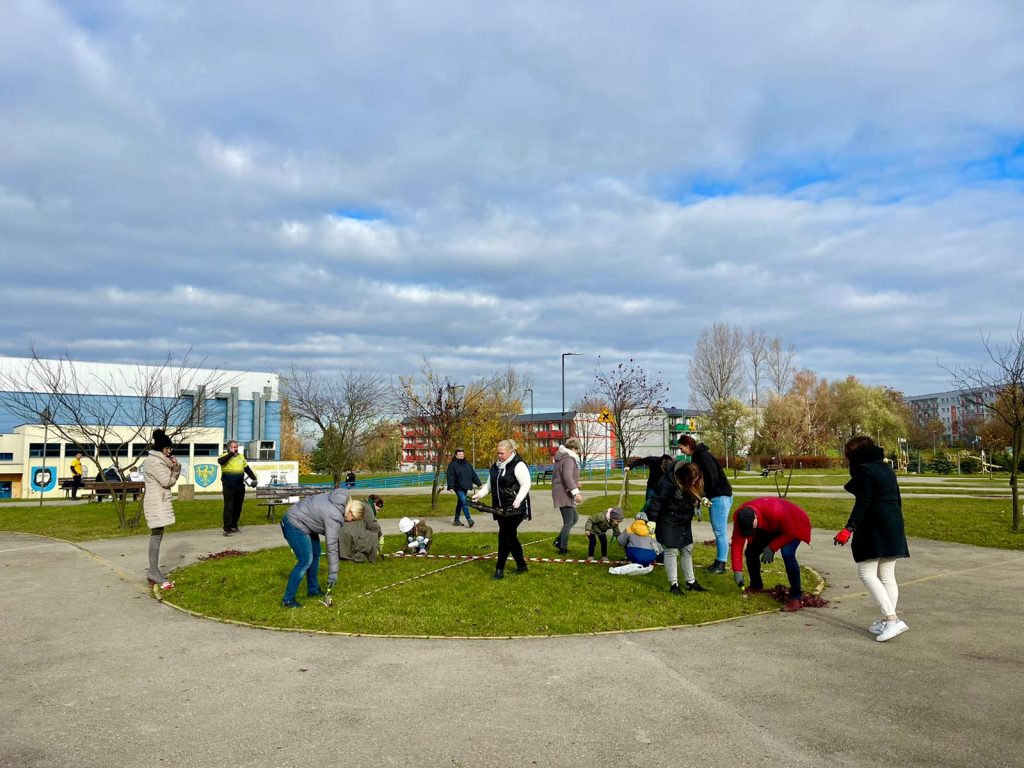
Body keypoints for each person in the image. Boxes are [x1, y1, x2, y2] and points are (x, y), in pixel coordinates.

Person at [834, 435, 911, 642]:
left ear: (855, 455)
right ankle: (889, 621)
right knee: (887, 575)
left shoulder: (864, 470)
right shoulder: (886, 468)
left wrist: (849, 527)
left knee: (866, 572)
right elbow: (897, 497)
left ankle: (892, 619)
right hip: (893, 521)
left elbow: (864, 502)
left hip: (874, 523)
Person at [729, 497, 812, 612]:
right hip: (771, 526)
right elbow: (737, 543)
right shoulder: (740, 516)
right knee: (751, 552)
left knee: (787, 553)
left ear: (755, 518)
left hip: (795, 523)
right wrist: (737, 571)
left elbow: (790, 532)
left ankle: (796, 597)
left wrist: (771, 547)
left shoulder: (774, 511)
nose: (750, 532)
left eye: (750, 528)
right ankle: (756, 586)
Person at [471, 438, 532, 580]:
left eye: (502, 453)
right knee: (511, 537)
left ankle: (499, 570)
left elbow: (526, 483)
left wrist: (518, 499)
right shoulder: (495, 467)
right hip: (499, 509)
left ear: (511, 452)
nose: (499, 456)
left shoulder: (518, 465)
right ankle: (522, 566)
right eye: (498, 453)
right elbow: (489, 485)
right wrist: (479, 495)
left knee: (504, 537)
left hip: (515, 509)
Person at [279, 487, 349, 608]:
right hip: (294, 523)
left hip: (306, 523)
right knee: (305, 560)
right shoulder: (334, 515)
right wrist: (333, 574)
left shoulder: (339, 501)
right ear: (350, 511)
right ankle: (288, 599)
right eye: (353, 519)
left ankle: (313, 590)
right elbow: (332, 547)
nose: (351, 522)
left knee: (316, 553)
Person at [677, 435, 733, 574]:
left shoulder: (703, 456)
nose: (681, 450)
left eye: (681, 447)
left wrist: (703, 495)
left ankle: (721, 564)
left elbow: (712, 477)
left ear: (688, 445)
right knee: (718, 531)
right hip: (717, 496)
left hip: (719, 496)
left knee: (720, 532)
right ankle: (719, 561)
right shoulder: (698, 456)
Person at [649, 460, 706, 595]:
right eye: (692, 480)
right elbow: (656, 501)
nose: (694, 483)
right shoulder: (667, 482)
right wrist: (652, 520)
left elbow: (696, 492)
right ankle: (674, 584)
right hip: (668, 520)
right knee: (671, 551)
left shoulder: (691, 480)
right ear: (684, 477)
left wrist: (702, 499)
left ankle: (691, 582)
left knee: (687, 549)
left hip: (684, 520)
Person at [142, 430, 180, 594]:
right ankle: (152, 571)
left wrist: (173, 466)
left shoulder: (159, 461)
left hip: (158, 501)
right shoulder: (155, 463)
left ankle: (154, 570)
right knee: (156, 536)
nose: (169, 451)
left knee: (158, 534)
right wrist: (175, 470)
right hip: (156, 503)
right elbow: (167, 481)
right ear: (161, 448)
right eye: (167, 448)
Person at [218, 440, 257, 537]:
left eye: (236, 447)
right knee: (229, 507)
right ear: (229, 448)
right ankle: (227, 529)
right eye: (234, 447)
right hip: (229, 486)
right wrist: (231, 454)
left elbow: (247, 469)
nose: (236, 449)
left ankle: (234, 526)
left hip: (239, 485)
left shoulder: (241, 456)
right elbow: (220, 461)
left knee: (238, 507)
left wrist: (254, 478)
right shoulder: (224, 456)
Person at [551, 437, 584, 553]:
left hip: (563, 491)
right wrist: (576, 493)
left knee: (574, 518)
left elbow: (563, 477)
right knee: (569, 521)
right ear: (574, 448)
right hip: (564, 493)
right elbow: (567, 477)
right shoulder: (569, 459)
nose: (578, 451)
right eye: (578, 449)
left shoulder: (562, 457)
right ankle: (562, 547)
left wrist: (575, 484)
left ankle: (559, 541)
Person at [339, 497, 381, 563]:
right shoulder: (367, 508)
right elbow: (371, 525)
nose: (377, 512)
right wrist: (380, 534)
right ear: (374, 504)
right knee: (371, 535)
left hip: (342, 538)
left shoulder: (361, 504)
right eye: (377, 509)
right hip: (348, 536)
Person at [446, 448, 480, 528]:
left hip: (465, 486)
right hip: (458, 487)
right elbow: (450, 476)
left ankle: (456, 520)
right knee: (464, 501)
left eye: (462, 454)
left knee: (460, 502)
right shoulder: (452, 465)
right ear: (456, 455)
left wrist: (479, 484)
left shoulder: (467, 464)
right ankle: (469, 519)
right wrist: (451, 486)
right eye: (460, 454)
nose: (461, 456)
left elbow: (473, 475)